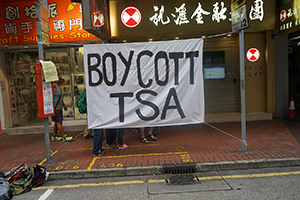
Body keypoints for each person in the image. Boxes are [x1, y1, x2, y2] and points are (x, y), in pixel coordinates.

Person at [51, 75, 73, 142]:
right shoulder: (54, 86)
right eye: (60, 79)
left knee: (56, 122)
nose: (61, 80)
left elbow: (59, 98)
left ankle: (54, 135)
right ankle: (63, 135)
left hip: (58, 106)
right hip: (56, 107)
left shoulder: (59, 87)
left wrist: (63, 105)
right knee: (59, 122)